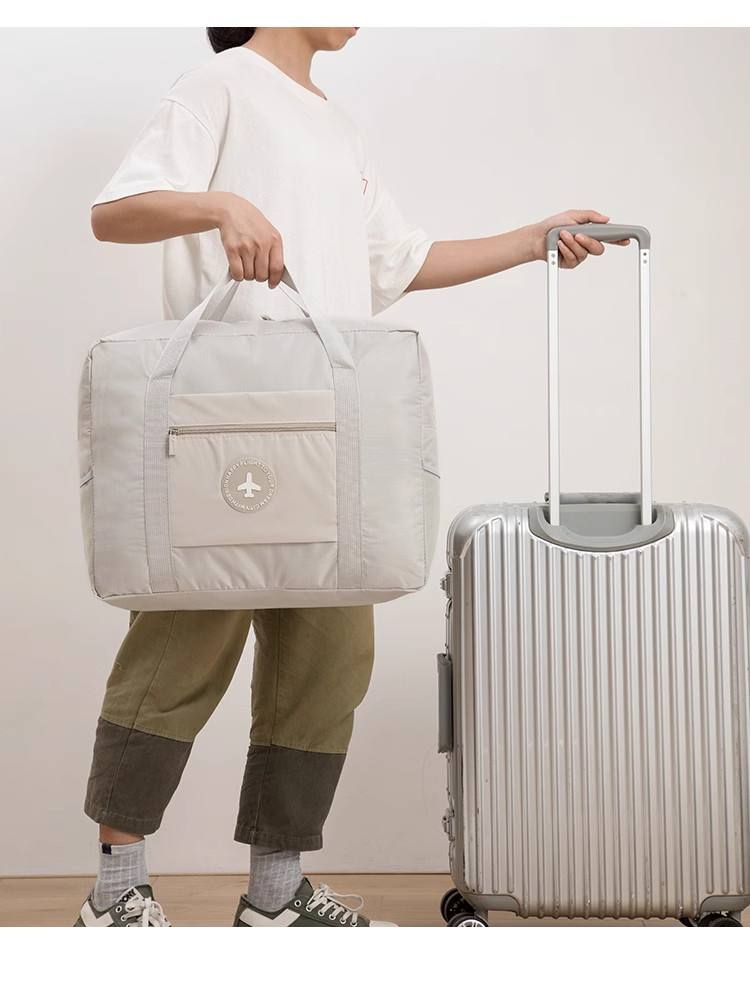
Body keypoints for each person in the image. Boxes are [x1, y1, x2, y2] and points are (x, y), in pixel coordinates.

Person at [75, 26, 629, 929]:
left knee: (330, 657)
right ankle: (116, 891)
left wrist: (535, 239)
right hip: (229, 417)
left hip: (334, 422)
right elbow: (116, 211)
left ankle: (276, 893)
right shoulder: (220, 84)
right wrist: (222, 206)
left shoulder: (338, 128)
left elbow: (399, 264)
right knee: (181, 642)